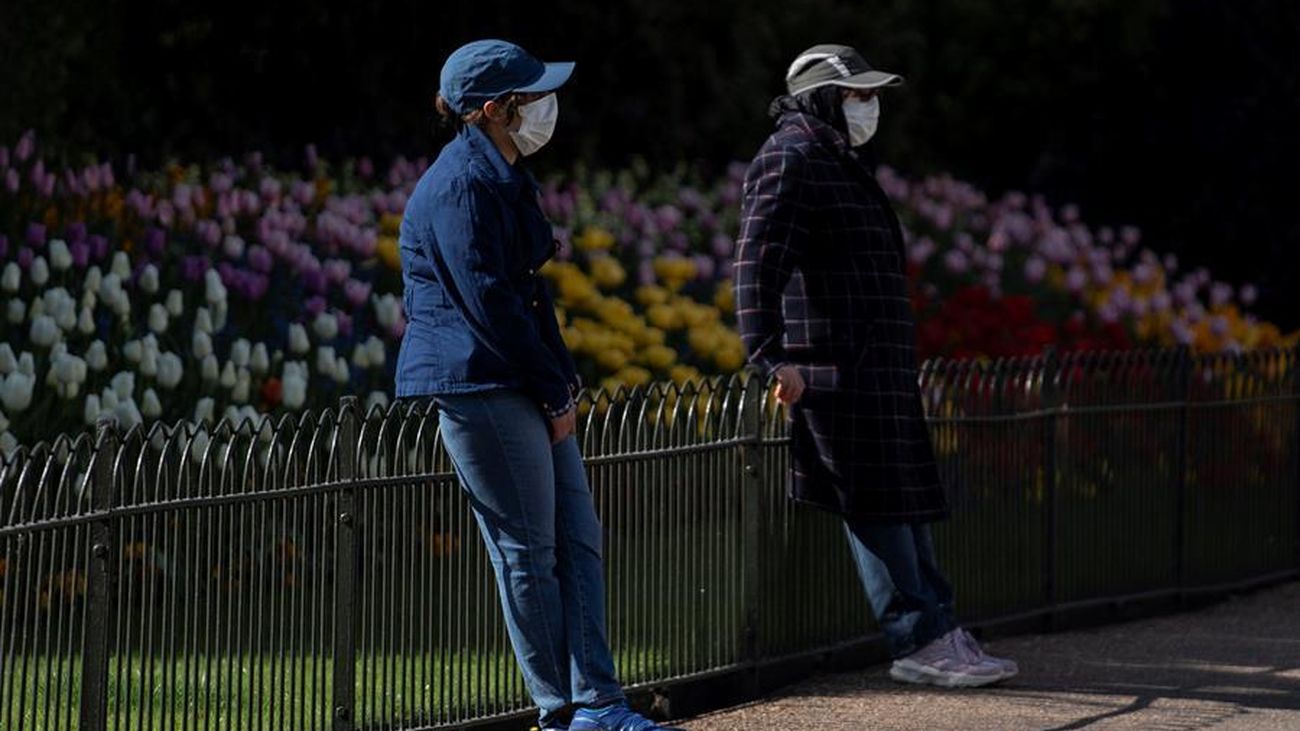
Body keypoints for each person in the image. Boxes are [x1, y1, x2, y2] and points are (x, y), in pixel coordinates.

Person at [396, 39, 682, 730]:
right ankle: (565, 710)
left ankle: (599, 704)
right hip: (481, 386)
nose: (547, 106)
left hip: (516, 378)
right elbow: (490, 304)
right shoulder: (460, 185)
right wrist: (553, 391)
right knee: (527, 553)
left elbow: (523, 292)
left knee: (576, 538)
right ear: (496, 109)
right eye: (533, 96)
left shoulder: (498, 172)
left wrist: (560, 382)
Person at [734, 43, 1018, 687]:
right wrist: (769, 357)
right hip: (834, 367)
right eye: (858, 95)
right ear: (823, 98)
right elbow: (756, 262)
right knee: (877, 504)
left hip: (873, 365)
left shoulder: (832, 155)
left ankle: (939, 628)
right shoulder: (791, 156)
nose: (870, 106)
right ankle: (917, 640)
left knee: (903, 502)